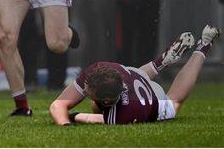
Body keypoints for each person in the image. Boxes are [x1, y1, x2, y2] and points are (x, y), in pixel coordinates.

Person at [49, 25, 219, 125]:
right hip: (133, 76)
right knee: (133, 73)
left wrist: (74, 117)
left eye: (87, 91)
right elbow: (58, 106)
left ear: (107, 101)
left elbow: (93, 117)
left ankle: (203, 45)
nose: (84, 91)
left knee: (174, 102)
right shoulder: (101, 68)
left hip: (154, 99)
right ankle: (159, 63)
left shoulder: (125, 114)